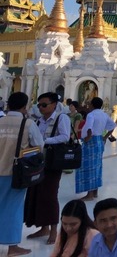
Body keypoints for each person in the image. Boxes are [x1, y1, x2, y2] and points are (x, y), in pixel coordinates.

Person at [0, 92, 45, 257]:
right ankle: (12, 248)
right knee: (13, 208)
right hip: (15, 172)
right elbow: (39, 146)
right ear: (24, 106)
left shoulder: (0, 121)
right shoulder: (27, 124)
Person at [24, 92, 71, 245]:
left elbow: (65, 136)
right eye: (40, 105)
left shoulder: (61, 118)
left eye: (44, 104)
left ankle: (53, 230)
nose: (41, 108)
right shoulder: (39, 120)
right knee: (37, 193)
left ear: (54, 104)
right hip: (39, 161)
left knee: (50, 195)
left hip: (53, 162)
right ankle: (43, 227)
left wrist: (45, 141)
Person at [75, 97, 116, 201]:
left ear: (92, 105)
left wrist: (88, 137)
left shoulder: (91, 114)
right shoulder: (103, 114)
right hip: (99, 141)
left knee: (89, 167)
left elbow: (89, 127)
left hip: (91, 142)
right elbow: (112, 125)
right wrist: (105, 137)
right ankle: (95, 192)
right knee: (97, 166)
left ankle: (89, 194)